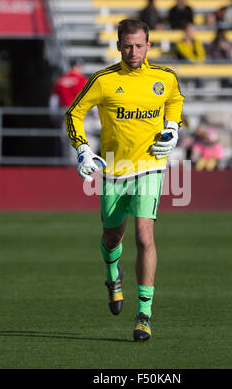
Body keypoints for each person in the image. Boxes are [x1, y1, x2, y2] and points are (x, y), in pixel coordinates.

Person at [65, 19, 184, 342]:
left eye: (139, 45)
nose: (133, 51)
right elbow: (73, 113)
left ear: (149, 45)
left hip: (150, 166)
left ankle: (144, 314)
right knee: (112, 235)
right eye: (127, 45)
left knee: (145, 236)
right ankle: (111, 275)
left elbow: (175, 100)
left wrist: (172, 127)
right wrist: (84, 151)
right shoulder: (103, 80)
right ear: (118, 46)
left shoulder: (165, 78)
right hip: (114, 170)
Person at [50, 60, 89, 162]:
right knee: (81, 138)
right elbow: (89, 98)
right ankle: (77, 163)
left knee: (65, 139)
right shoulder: (82, 80)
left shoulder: (61, 80)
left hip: (64, 112)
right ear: (77, 67)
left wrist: (53, 116)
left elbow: (54, 101)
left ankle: (67, 162)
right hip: (79, 113)